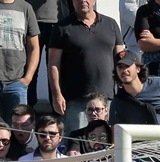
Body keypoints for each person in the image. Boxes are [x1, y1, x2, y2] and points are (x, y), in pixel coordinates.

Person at [49, 0, 124, 133]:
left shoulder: (111, 24)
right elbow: (54, 64)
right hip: (75, 100)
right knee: (76, 146)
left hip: (108, 98)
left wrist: (122, 88)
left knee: (109, 145)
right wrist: (56, 94)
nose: (82, 1)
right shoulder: (62, 27)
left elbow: (120, 60)